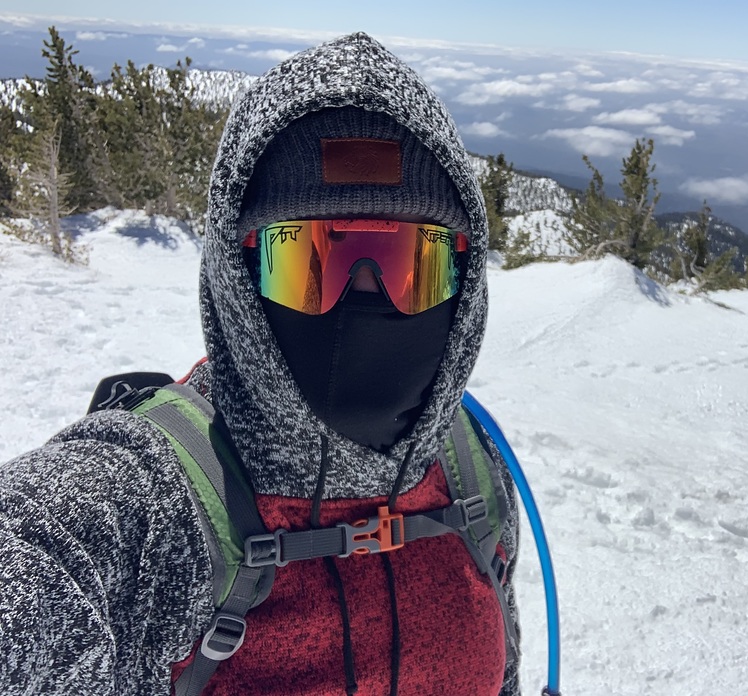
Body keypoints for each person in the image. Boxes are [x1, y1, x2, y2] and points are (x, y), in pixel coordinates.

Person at [0, 32, 520, 695]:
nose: (364, 298)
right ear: (237, 274)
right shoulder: (151, 512)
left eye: (412, 265)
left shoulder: (474, 474)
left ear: (465, 280)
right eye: (307, 262)